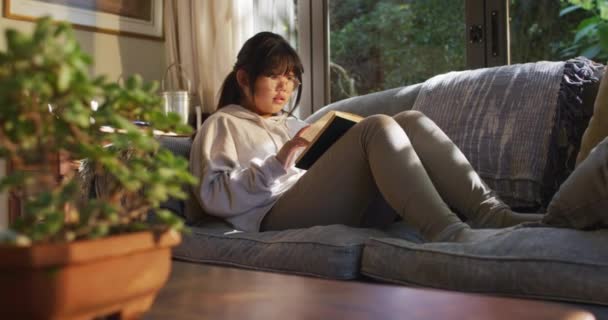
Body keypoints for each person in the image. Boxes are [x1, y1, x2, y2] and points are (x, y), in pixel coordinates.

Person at [189, 31, 604, 242]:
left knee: (410, 118)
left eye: (292, 78)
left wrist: (309, 146)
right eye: (274, 75)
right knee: (375, 128)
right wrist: (280, 162)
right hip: (272, 218)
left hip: (323, 200)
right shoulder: (222, 124)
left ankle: (491, 214)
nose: (285, 87)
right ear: (244, 78)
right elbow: (214, 195)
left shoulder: (290, 123)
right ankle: (450, 234)